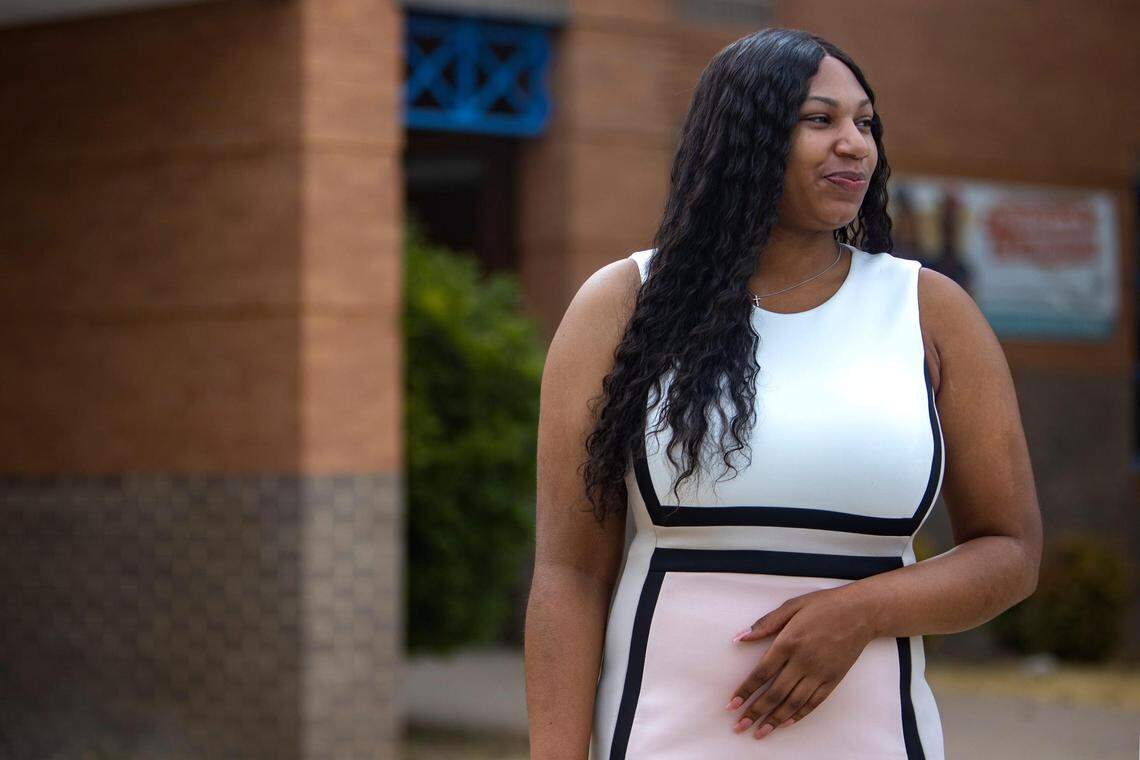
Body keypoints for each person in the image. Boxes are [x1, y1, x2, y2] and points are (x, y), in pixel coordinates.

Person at [525, 27, 1042, 760]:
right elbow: (569, 573)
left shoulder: (929, 311)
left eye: (865, 123)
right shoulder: (624, 304)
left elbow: (1011, 551)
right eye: (820, 120)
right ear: (745, 137)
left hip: (875, 740)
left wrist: (860, 611)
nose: (855, 144)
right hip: (658, 738)